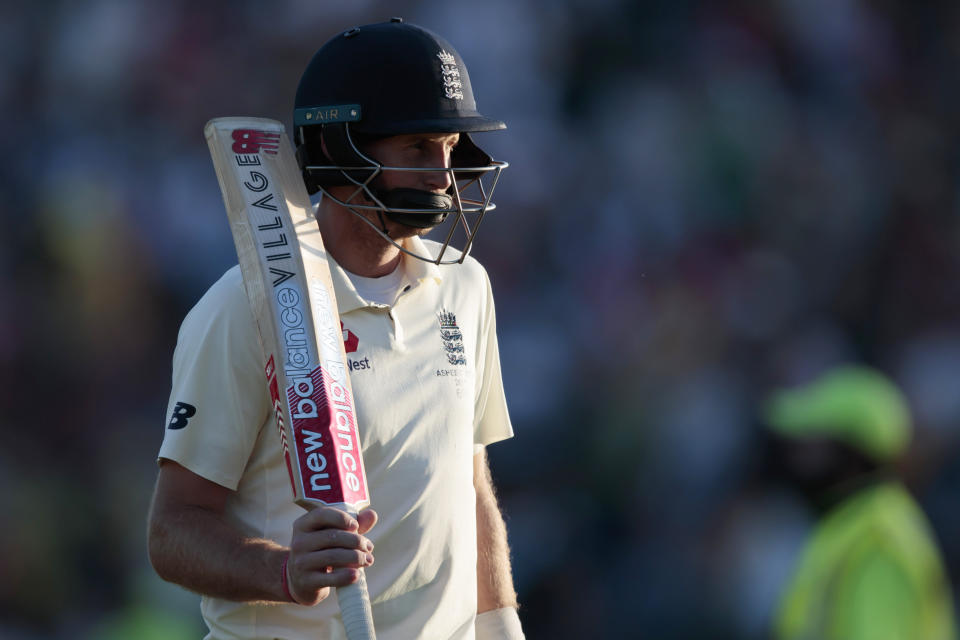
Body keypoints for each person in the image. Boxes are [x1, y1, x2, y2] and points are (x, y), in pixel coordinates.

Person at [147, 18, 525, 640]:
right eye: (417, 149)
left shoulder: (465, 286)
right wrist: (282, 572)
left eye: (451, 150)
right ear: (334, 150)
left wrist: (504, 627)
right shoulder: (242, 311)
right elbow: (172, 532)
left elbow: (469, 482)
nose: (444, 177)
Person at [762, 365, 957, 640]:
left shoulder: (879, 541)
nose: (797, 461)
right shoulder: (850, 527)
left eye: (811, 448)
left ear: (851, 457)